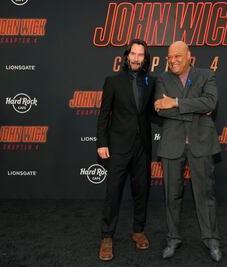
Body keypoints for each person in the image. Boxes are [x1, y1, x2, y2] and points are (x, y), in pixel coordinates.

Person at [154, 41, 222, 262]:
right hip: (172, 144)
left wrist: (174, 102)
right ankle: (173, 238)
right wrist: (198, 110)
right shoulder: (162, 78)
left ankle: (211, 238)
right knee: (171, 195)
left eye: (177, 56)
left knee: (205, 193)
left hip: (201, 143)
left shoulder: (206, 75)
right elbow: (159, 111)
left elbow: (211, 101)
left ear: (189, 57)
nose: (172, 60)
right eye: (169, 57)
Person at [96, 39, 155, 261]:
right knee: (113, 192)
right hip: (118, 146)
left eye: (141, 55)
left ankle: (138, 230)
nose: (137, 58)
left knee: (141, 189)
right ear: (127, 56)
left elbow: (154, 112)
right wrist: (102, 142)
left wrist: (188, 111)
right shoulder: (112, 81)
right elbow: (104, 115)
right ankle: (106, 237)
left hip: (143, 146)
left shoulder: (151, 81)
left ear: (145, 59)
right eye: (134, 54)